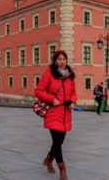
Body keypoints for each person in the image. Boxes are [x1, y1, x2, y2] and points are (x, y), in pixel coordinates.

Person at [34, 50, 76, 180]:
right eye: (59, 59)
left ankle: (48, 159)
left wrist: (72, 102)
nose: (62, 61)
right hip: (53, 113)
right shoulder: (49, 74)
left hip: (65, 114)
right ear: (55, 61)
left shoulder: (70, 76)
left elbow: (74, 93)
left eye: (64, 59)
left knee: (59, 142)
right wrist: (52, 99)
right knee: (57, 142)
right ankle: (63, 170)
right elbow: (38, 91)